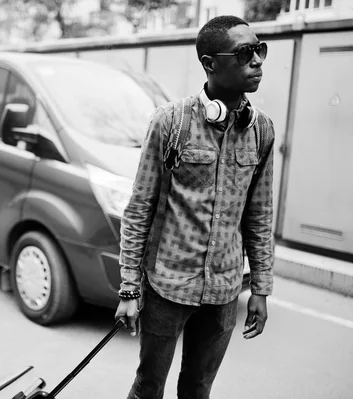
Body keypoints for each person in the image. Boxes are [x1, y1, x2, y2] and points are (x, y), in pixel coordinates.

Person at [114, 15, 275, 399]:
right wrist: (129, 290)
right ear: (210, 63)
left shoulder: (262, 130)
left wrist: (261, 289)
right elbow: (139, 209)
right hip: (168, 286)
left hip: (223, 292)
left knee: (198, 389)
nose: (257, 61)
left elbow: (260, 215)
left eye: (260, 50)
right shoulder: (170, 122)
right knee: (148, 387)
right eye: (244, 53)